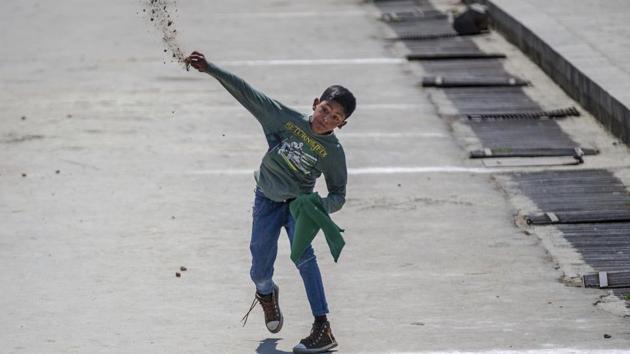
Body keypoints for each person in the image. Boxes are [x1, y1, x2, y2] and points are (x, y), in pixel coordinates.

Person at [185, 51, 356, 354]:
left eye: (335, 118)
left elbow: (338, 194)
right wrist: (211, 68)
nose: (326, 119)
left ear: (341, 124)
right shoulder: (284, 119)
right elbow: (249, 93)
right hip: (266, 199)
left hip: (297, 207)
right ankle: (266, 293)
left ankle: (322, 327)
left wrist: (319, 207)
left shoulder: (333, 152)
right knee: (259, 269)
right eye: (325, 109)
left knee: (305, 260)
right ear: (316, 102)